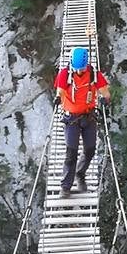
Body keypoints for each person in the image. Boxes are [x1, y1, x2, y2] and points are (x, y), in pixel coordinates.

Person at [54, 46, 111, 195]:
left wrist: (105, 99)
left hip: (88, 117)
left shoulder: (93, 75)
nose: (79, 71)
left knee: (90, 150)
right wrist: (58, 98)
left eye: (81, 69)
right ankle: (65, 187)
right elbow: (60, 91)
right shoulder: (65, 74)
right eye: (76, 68)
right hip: (71, 118)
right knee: (70, 153)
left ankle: (80, 173)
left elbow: (105, 91)